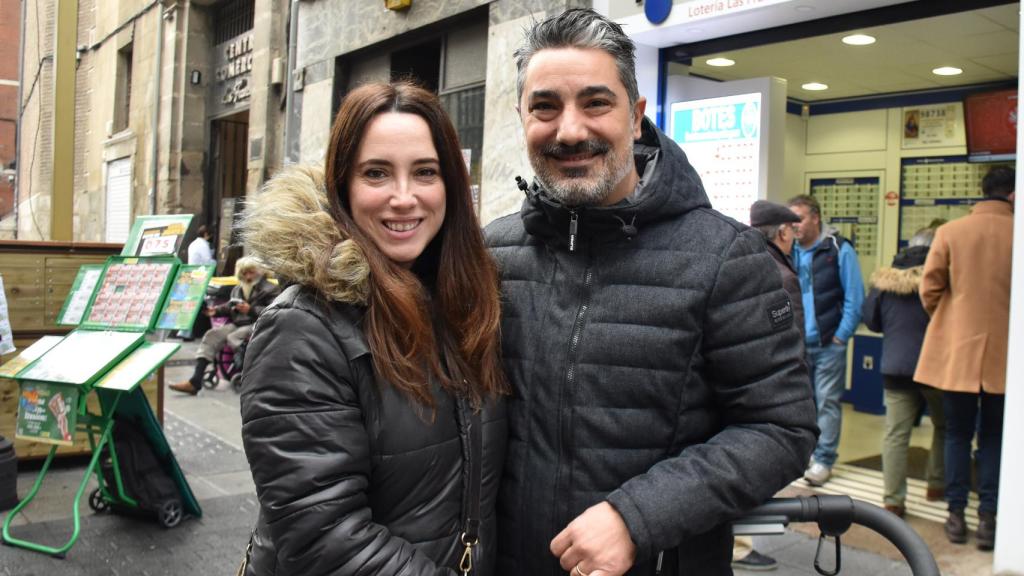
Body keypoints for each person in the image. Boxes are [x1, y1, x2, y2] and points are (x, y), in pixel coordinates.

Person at [485, 10, 817, 575]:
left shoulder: (725, 257)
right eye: (545, 106)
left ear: (636, 117)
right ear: (522, 118)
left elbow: (780, 428)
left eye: (596, 103)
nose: (569, 130)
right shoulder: (493, 253)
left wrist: (637, 517)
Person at [237, 82, 507, 575]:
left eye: (425, 172)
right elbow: (325, 538)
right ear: (343, 186)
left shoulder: (459, 302)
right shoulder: (302, 327)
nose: (403, 198)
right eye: (377, 173)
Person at [914, 166, 1015, 550]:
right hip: (1005, 358)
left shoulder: (951, 231)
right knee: (993, 437)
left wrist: (950, 323)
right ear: (1012, 195)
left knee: (956, 434)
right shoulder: (1017, 233)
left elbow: (930, 288)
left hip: (955, 355)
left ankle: (955, 515)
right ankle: (988, 518)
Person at [862, 228, 945, 519]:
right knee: (943, 428)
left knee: (896, 434)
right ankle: (936, 486)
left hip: (895, 366)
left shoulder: (885, 281)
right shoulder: (943, 277)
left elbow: (871, 320)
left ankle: (894, 500)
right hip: (936, 367)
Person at [788, 194, 864, 486]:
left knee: (828, 402)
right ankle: (806, 453)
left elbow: (855, 298)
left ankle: (824, 459)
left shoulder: (839, 249)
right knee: (803, 402)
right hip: (798, 344)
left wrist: (841, 337)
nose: (794, 225)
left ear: (816, 218)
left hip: (829, 344)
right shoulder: (790, 250)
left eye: (800, 218)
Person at [169, 256, 279, 395]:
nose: (247, 276)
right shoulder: (238, 289)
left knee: (234, 336)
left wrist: (250, 310)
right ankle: (195, 381)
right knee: (212, 335)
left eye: (251, 272)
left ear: (259, 272)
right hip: (238, 323)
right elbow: (229, 306)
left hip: (256, 324)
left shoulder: (270, 289)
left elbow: (275, 311)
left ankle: (245, 369)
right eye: (244, 273)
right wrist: (214, 311)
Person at [178, 225, 217, 340]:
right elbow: (207, 261)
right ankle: (188, 332)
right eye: (210, 235)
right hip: (200, 276)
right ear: (206, 234)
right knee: (196, 305)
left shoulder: (193, 243)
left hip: (192, 275)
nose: (210, 237)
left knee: (191, 304)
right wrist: (216, 262)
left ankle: (185, 331)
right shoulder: (203, 245)